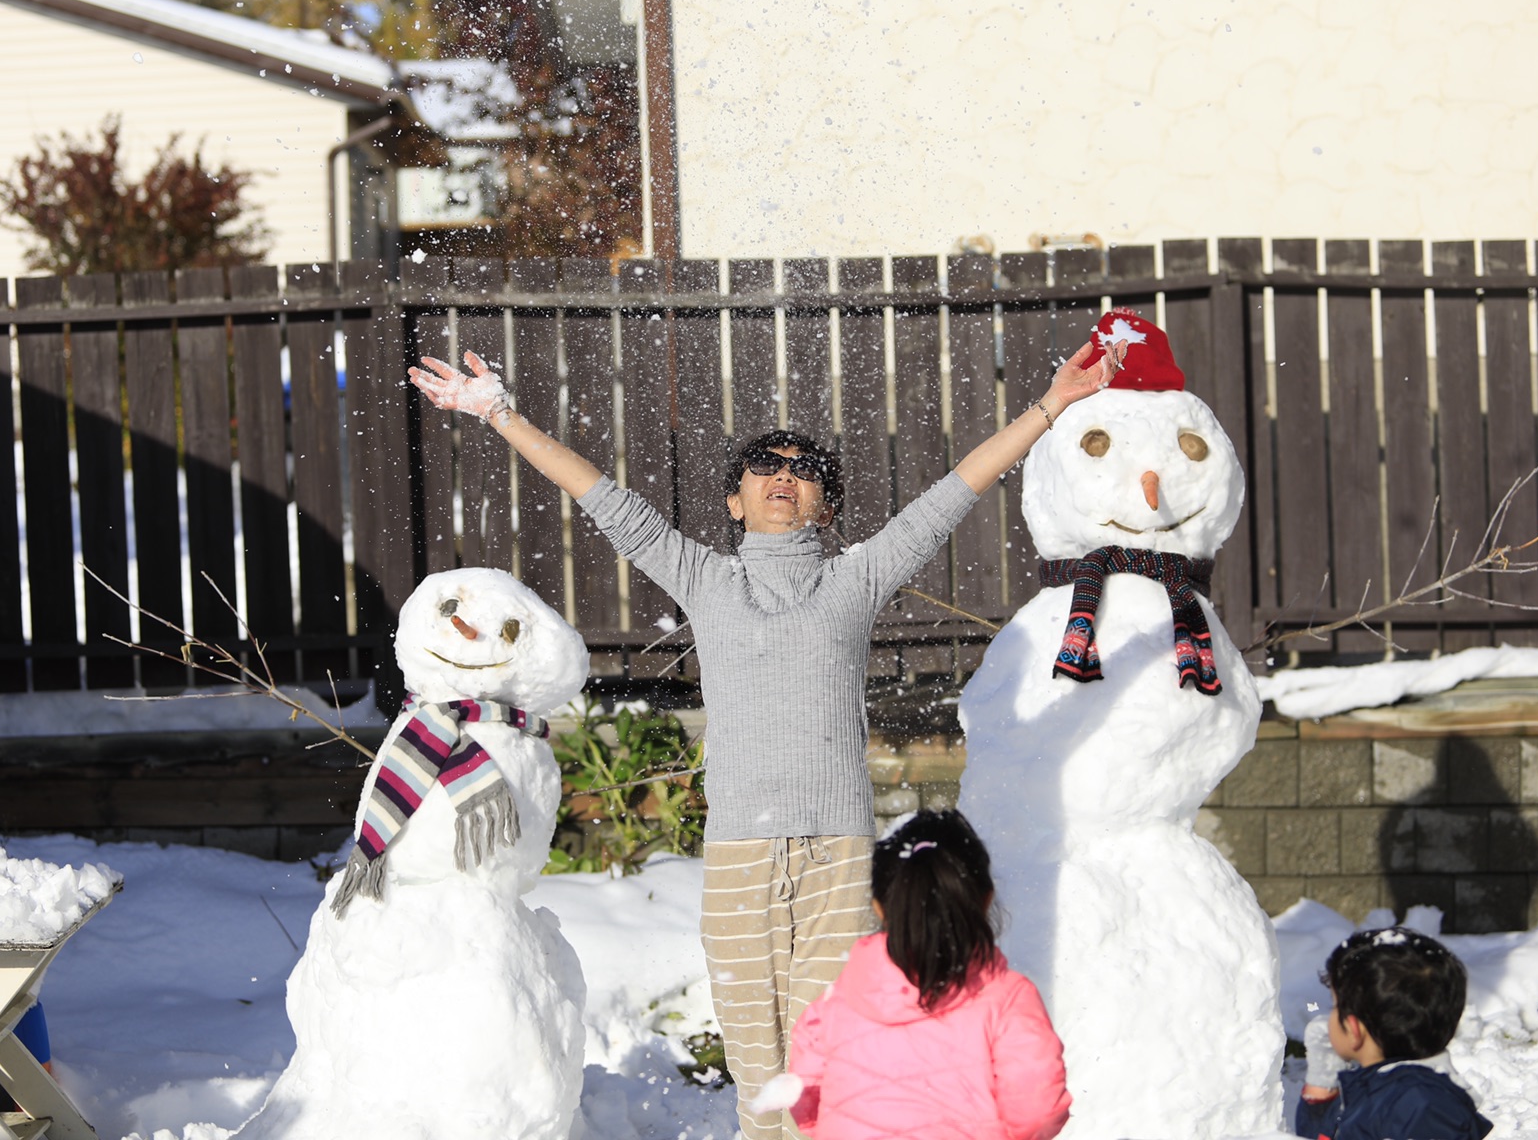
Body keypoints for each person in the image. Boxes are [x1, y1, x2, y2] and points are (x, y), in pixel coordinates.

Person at [406, 337, 1119, 1140]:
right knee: (759, 1077)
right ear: (736, 500)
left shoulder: (856, 579)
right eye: (765, 463)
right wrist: (501, 415)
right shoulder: (705, 578)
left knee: (828, 1073)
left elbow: (954, 493)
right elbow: (600, 494)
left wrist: (1050, 407)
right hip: (742, 852)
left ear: (826, 505)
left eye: (805, 467)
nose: (785, 473)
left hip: (839, 857)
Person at [766, 809, 1071, 1140]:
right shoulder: (1009, 998)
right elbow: (1038, 1112)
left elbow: (805, 1095)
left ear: (879, 906)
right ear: (986, 900)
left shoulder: (837, 1002)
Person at [1295, 927, 1493, 1140]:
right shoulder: (1376, 1089)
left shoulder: (1421, 1102)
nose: (1328, 1018)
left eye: (1334, 1006)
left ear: (1354, 1030)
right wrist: (1322, 1080)